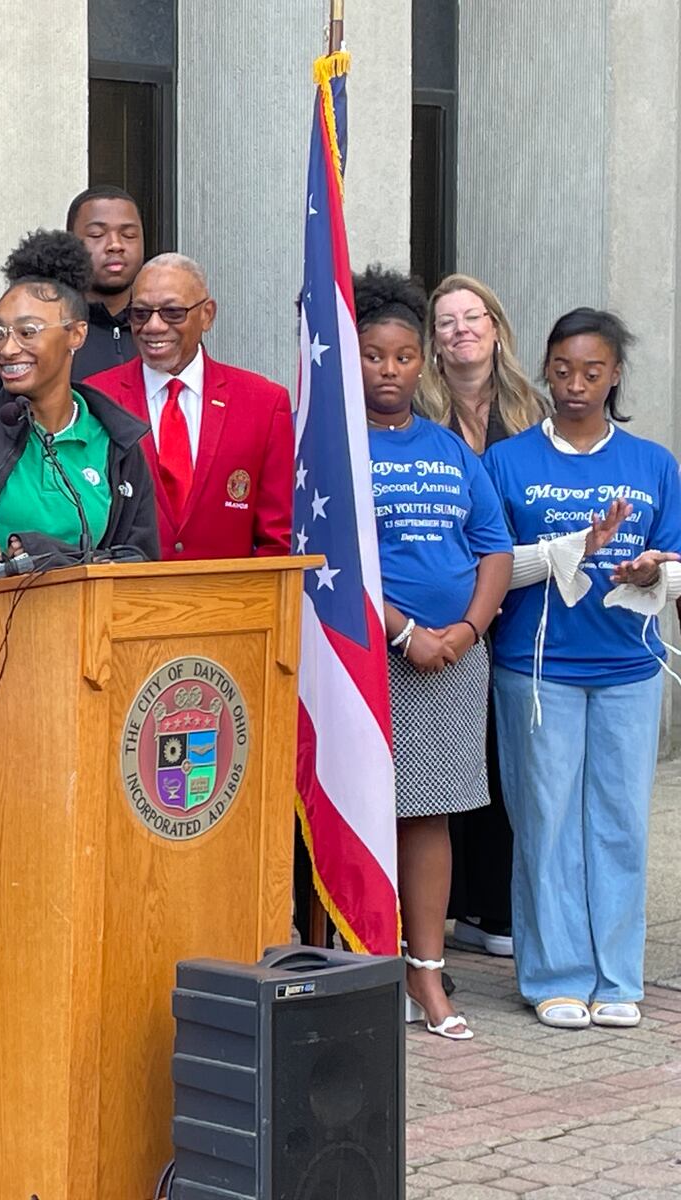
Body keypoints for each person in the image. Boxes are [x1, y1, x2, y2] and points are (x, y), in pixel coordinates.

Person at [486, 308, 681, 1032]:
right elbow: (489, 568)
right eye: (563, 370)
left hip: (630, 666)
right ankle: (556, 975)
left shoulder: (653, 463)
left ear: (617, 374)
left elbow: (677, 567)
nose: (575, 385)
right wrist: (569, 549)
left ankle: (617, 975)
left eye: (592, 372)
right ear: (545, 369)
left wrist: (649, 571)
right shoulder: (508, 462)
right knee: (547, 823)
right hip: (539, 670)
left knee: (621, 823)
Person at [352, 267, 512, 1041]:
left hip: (452, 663)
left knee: (430, 820)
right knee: (365, 814)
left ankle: (428, 975)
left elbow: (493, 549)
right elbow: (331, 556)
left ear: (424, 363)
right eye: (375, 355)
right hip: (373, 656)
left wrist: (466, 631)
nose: (390, 369)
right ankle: (363, 968)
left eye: (404, 356)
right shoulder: (338, 447)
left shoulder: (450, 449)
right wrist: (404, 631)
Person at [416, 273, 551, 961]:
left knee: (499, 761)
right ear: (433, 342)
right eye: (445, 321)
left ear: (497, 329)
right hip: (436, 617)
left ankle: (491, 907)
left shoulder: (538, 412)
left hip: (521, 614)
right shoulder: (414, 410)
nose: (461, 328)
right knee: (441, 761)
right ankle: (445, 908)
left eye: (474, 316)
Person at [0, 230, 159, 561]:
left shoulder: (117, 440)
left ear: (76, 334)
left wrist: (54, 558)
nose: (9, 350)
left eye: (28, 332)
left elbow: (139, 564)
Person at [84, 251, 292, 560]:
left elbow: (278, 540)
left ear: (207, 314)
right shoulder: (96, 397)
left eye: (172, 312)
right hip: (128, 601)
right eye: (140, 313)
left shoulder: (263, 402)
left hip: (231, 602)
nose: (153, 326)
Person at [66, 185, 147, 380]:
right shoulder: (54, 329)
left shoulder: (163, 325)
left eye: (128, 235)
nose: (115, 245)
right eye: (96, 235)